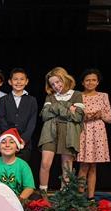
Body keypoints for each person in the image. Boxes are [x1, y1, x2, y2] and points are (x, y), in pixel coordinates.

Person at [37, 67, 84, 198]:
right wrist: (67, 107)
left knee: (67, 166)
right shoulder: (50, 96)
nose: (56, 86)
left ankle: (65, 196)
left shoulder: (77, 95)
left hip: (69, 133)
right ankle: (43, 195)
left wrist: (55, 109)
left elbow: (78, 117)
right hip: (49, 132)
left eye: (58, 82)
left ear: (64, 79)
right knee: (45, 163)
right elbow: (45, 115)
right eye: (52, 84)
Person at [77, 68, 111, 201]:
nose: (90, 82)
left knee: (93, 166)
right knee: (84, 165)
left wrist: (101, 114)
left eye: (93, 80)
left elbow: (110, 118)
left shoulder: (103, 96)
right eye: (87, 80)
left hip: (98, 133)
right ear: (82, 82)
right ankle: (80, 196)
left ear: (97, 82)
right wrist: (84, 117)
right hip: (84, 132)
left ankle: (91, 197)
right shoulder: (78, 96)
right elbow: (74, 115)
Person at [0, 67, 38, 163]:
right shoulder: (3, 100)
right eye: (15, 79)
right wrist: (11, 137)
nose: (18, 82)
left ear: (26, 81)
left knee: (22, 169)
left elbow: (32, 122)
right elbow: (1, 119)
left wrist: (23, 139)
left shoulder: (32, 100)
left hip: (25, 143)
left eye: (22, 79)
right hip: (7, 142)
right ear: (10, 82)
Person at [0, 129, 35, 203]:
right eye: (3, 142)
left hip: (19, 201)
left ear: (17, 147)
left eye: (12, 142)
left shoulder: (23, 165)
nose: (7, 145)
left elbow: (29, 188)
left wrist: (17, 202)